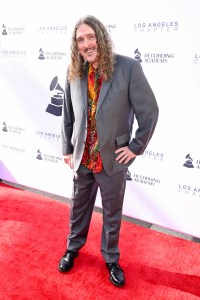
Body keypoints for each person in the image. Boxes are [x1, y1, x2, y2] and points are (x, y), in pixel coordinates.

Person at [58, 15, 159, 287]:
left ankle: (111, 258)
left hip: (113, 158)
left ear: (100, 36)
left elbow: (149, 112)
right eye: (80, 39)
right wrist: (67, 147)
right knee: (78, 208)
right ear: (76, 45)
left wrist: (136, 147)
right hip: (83, 158)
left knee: (112, 212)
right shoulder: (74, 72)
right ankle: (73, 248)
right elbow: (68, 114)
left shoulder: (127, 68)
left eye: (90, 37)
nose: (86, 43)